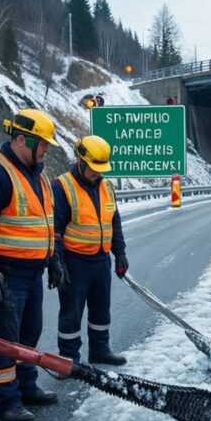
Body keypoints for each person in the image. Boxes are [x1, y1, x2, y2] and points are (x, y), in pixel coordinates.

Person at [0, 109, 61, 421]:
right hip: (7, 276)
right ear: (22, 139)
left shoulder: (39, 174)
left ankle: (26, 387)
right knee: (3, 342)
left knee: (28, 335)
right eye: (43, 144)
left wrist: (53, 259)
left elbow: (46, 222)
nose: (47, 150)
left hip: (32, 274)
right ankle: (6, 402)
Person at [53, 135, 129, 365]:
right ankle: (69, 358)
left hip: (101, 260)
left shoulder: (106, 186)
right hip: (75, 262)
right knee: (71, 313)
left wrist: (120, 253)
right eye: (94, 168)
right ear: (80, 160)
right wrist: (57, 261)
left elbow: (113, 223)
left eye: (101, 168)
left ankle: (100, 349)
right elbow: (55, 230)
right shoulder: (63, 186)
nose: (98, 173)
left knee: (101, 310)